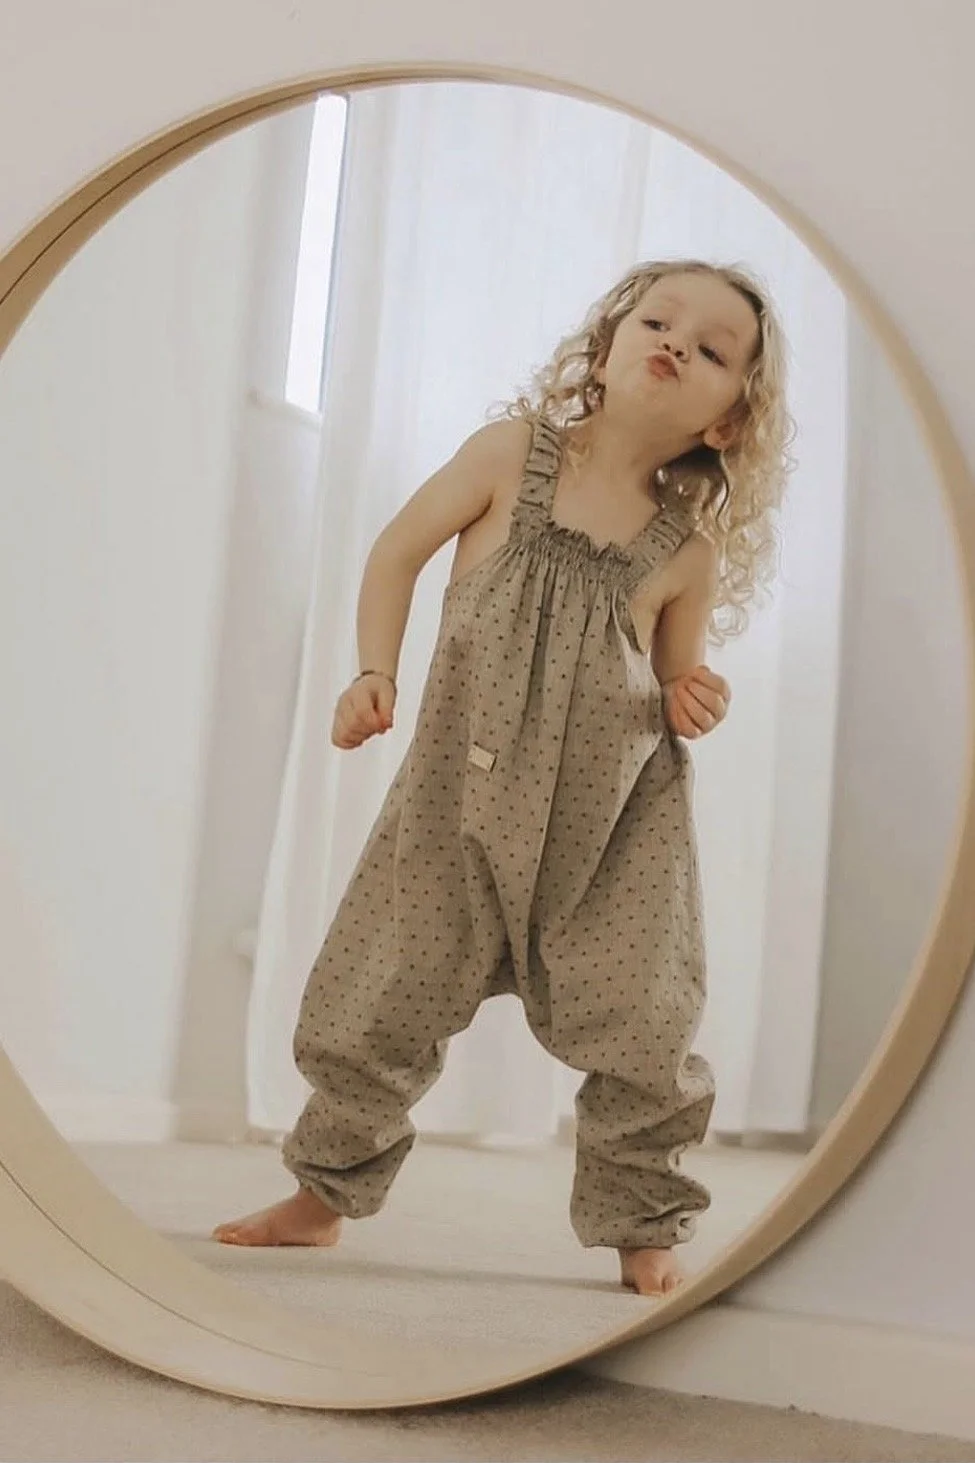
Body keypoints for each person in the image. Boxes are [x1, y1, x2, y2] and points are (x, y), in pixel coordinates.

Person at [214, 258, 795, 1296]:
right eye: (657, 322)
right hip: (458, 803)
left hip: (612, 832)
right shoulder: (509, 456)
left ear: (728, 419)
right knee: (382, 990)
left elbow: (674, 678)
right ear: (604, 348)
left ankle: (642, 1225)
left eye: (711, 349)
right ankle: (319, 1198)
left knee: (646, 1017)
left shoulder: (686, 549)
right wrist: (373, 671)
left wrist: (692, 695)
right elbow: (395, 553)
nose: (675, 342)